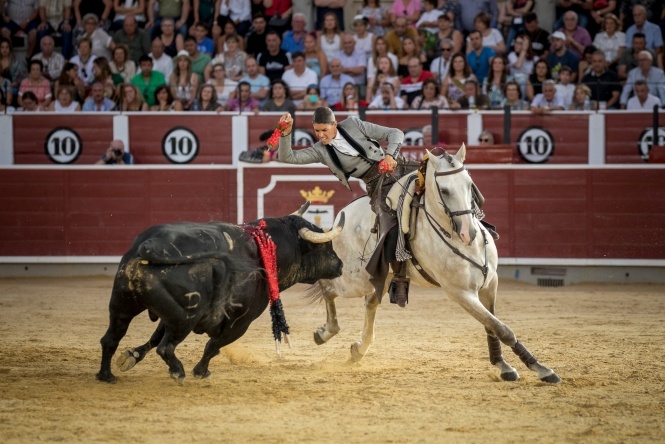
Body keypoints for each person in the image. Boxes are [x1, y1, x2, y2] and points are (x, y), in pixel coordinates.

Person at [275, 107, 415, 307]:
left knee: (444, 179)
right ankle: (399, 280)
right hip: (377, 185)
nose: (321, 135)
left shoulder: (354, 124)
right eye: (317, 131)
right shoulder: (320, 151)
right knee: (388, 221)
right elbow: (287, 157)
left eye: (324, 130)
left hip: (399, 168)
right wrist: (286, 132)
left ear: (335, 124)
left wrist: (390, 155)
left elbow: (395, 133)